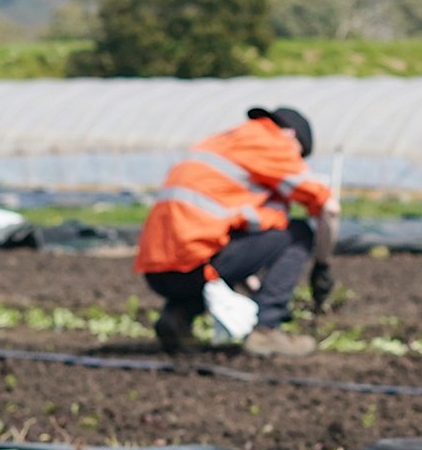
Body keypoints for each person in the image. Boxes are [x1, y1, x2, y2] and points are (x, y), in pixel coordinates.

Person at [136, 105, 340, 357]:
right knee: (298, 232)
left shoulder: (223, 142)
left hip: (158, 271)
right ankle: (267, 332)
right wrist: (322, 265)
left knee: (220, 254)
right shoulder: (273, 143)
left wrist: (252, 284)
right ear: (290, 136)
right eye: (299, 154)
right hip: (196, 264)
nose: (296, 161)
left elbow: (230, 232)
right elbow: (328, 209)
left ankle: (177, 317)